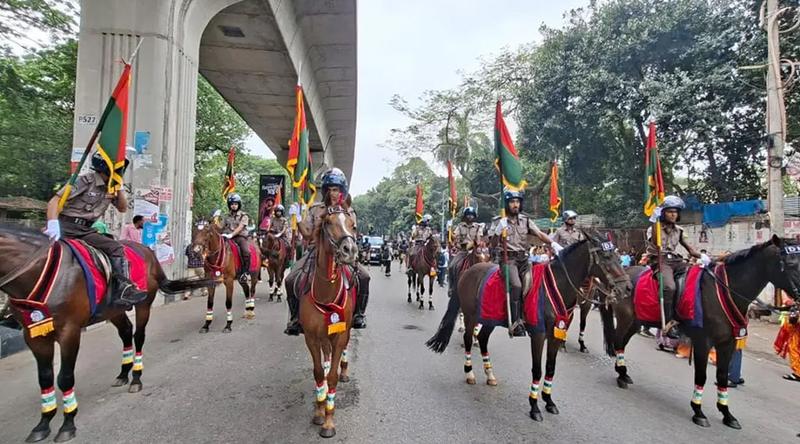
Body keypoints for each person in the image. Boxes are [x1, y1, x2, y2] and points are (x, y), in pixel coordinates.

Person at [43, 152, 146, 310]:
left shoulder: (112, 187)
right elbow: (55, 200)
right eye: (118, 169)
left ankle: (123, 289)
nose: (121, 172)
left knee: (116, 248)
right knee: (35, 251)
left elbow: (123, 208)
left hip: (86, 230)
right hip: (65, 226)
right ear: (107, 167)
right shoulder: (85, 180)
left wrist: (118, 188)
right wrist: (52, 223)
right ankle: (12, 308)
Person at [283, 168, 371, 335]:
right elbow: (308, 234)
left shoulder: (349, 211)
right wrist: (298, 218)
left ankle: (359, 314)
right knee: (290, 279)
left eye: (336, 189)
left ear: (342, 191)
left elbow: (351, 233)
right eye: (329, 189)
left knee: (364, 277)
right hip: (315, 251)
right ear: (324, 191)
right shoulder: (315, 209)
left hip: (341, 253)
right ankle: (295, 319)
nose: (332, 193)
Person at [489, 189, 564, 337]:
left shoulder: (526, 221)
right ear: (507, 204)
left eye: (517, 202)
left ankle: (533, 316)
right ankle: (516, 322)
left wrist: (553, 244)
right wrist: (498, 231)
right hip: (508, 260)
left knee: (537, 283)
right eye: (512, 202)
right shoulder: (499, 221)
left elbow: (540, 234)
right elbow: (492, 244)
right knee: (516, 285)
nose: (515, 205)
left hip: (524, 260)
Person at [646, 195, 710, 338]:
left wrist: (704, 257)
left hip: (676, 261)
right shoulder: (654, 228)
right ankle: (668, 323)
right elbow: (656, 243)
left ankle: (688, 314)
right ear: (663, 213)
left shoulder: (679, 230)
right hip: (660, 260)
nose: (673, 214)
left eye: (676, 211)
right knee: (669, 287)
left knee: (697, 276)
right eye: (669, 211)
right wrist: (654, 220)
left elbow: (690, 250)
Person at [448, 206, 484, 296]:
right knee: (452, 266)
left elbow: (479, 238)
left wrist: (476, 245)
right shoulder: (460, 226)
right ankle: (451, 287)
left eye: (472, 215)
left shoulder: (478, 227)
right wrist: (449, 231)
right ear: (465, 216)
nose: (470, 217)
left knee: (486, 264)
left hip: (474, 250)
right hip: (463, 250)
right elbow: (456, 237)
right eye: (468, 215)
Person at [222, 193, 252, 284]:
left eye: (235, 204)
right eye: (232, 204)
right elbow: (221, 226)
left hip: (239, 237)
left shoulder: (244, 215)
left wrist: (232, 234)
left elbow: (240, 227)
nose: (233, 206)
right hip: (227, 236)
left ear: (239, 204)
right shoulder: (226, 216)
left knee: (246, 251)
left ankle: (245, 272)